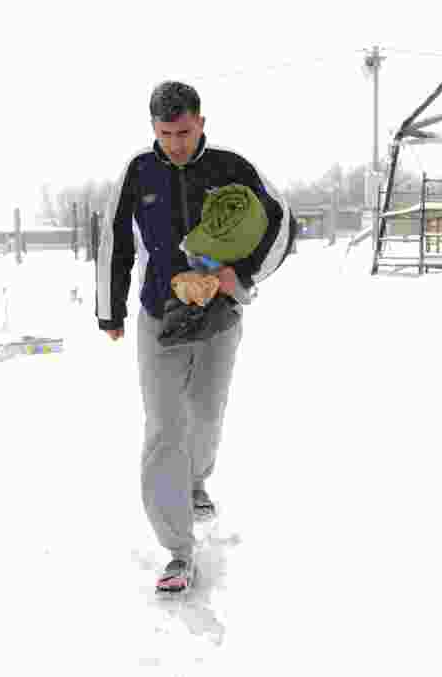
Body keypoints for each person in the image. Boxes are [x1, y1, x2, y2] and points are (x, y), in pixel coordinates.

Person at [96, 81, 296, 593]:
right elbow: (114, 242)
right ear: (154, 130)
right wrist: (109, 310)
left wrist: (242, 275)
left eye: (184, 132)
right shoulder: (139, 171)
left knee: (204, 415)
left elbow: (284, 223)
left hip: (218, 315)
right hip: (158, 314)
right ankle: (177, 550)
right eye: (166, 134)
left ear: (201, 122)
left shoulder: (232, 167)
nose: (176, 144)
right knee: (164, 426)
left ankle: (196, 479)